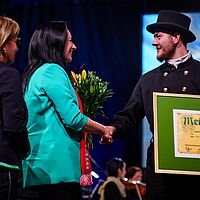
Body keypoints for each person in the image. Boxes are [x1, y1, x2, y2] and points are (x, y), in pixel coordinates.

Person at [106, 10, 200, 200]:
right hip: (159, 169)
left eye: (158, 36)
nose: (154, 42)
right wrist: (112, 129)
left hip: (195, 170)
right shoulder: (149, 79)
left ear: (175, 37)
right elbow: (129, 116)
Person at [21, 20, 112, 200]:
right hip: (55, 170)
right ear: (56, 42)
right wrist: (104, 129)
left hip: (41, 170)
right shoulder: (52, 70)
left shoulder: (36, 72)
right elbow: (73, 119)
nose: (74, 46)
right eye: (70, 41)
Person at [0, 16, 30, 200]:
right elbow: (13, 124)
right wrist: (25, 149)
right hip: (3, 166)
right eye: (15, 40)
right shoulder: (8, 75)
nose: (18, 47)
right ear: (4, 43)